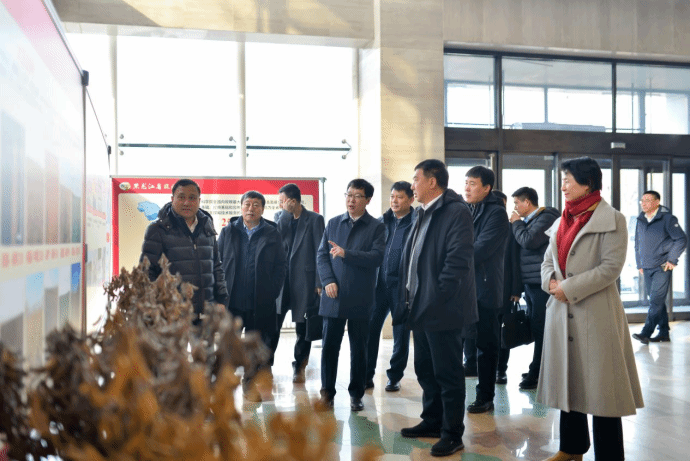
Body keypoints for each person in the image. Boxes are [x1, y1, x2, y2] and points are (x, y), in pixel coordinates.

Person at [539, 156, 643, 461]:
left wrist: (568, 289)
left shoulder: (612, 220)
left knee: (603, 392)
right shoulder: (562, 220)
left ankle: (609, 455)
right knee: (569, 384)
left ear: (588, 183)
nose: (563, 187)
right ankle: (571, 448)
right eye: (563, 180)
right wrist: (551, 283)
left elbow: (610, 268)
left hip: (596, 315)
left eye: (568, 180)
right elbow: (547, 261)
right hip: (561, 312)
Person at [396, 159, 477, 457]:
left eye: (416, 179)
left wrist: (438, 296)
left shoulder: (455, 211)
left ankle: (452, 434)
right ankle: (432, 421)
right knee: (426, 369)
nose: (412, 185)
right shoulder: (422, 212)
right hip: (420, 306)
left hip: (443, 307)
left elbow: (457, 260)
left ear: (432, 182)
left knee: (448, 373)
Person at [317, 179, 385, 412]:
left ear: (368, 200)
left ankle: (356, 394)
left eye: (357, 196)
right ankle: (327, 393)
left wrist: (347, 253)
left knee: (359, 349)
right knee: (329, 347)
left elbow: (376, 257)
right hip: (333, 295)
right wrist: (328, 280)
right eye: (348, 194)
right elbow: (322, 256)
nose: (351, 200)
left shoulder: (376, 227)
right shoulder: (334, 223)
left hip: (360, 296)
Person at [217, 191, 287, 398]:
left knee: (255, 346)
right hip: (233, 300)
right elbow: (217, 263)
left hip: (260, 300)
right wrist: (219, 295)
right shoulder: (228, 231)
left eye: (256, 205)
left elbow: (281, 265)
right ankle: (226, 385)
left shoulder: (272, 233)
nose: (251, 208)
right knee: (230, 345)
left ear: (263, 209)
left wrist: (272, 291)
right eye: (247, 204)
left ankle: (250, 384)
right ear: (241, 207)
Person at [140, 179, 229, 324]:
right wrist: (156, 306)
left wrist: (221, 299)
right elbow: (147, 271)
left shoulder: (207, 227)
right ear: (172, 199)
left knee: (206, 340)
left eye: (192, 198)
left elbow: (216, 266)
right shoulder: (158, 230)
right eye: (181, 197)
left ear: (199, 201)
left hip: (206, 311)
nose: (187, 202)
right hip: (172, 312)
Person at [464, 166, 509, 414]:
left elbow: (480, 249)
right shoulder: (468, 209)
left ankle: (485, 396)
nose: (467, 188)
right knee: (465, 342)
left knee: (486, 345)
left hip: (486, 288)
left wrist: (451, 258)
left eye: (472, 183)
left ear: (486, 188)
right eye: (466, 183)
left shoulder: (496, 213)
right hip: (465, 286)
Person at [271, 183, 325, 383]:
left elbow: (320, 251)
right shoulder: (280, 217)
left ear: (293, 201)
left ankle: (299, 366)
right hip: (282, 282)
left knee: (303, 328)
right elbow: (276, 238)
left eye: (282, 201)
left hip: (305, 281)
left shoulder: (315, 219)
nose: (280, 205)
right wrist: (286, 215)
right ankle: (266, 366)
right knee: (274, 325)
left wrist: (319, 282)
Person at [365, 181, 414, 392]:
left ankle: (394, 376)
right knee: (370, 329)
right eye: (392, 196)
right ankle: (366, 375)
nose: (394, 201)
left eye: (400, 197)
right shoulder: (381, 222)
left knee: (400, 333)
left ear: (411, 199)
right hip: (379, 286)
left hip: (402, 287)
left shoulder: (417, 223)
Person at [509, 187, 560, 389]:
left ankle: (537, 372)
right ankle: (539, 369)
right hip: (531, 282)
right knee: (537, 327)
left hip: (542, 283)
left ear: (527, 202)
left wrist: (516, 223)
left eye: (517, 203)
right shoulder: (531, 221)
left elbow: (528, 241)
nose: (515, 207)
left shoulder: (546, 217)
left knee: (541, 328)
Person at [632, 190, 687, 344]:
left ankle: (646, 332)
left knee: (655, 301)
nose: (643, 203)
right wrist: (639, 263)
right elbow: (637, 243)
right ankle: (664, 333)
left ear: (657, 202)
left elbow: (681, 239)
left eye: (647, 200)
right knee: (657, 300)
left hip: (662, 266)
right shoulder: (641, 219)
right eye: (642, 200)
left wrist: (672, 260)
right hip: (646, 266)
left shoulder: (667, 219)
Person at [492, 190, 522, 385]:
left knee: (503, 332)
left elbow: (515, 261)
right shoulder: (477, 225)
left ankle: (501, 370)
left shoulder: (511, 229)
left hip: (504, 289)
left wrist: (516, 290)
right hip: (482, 289)